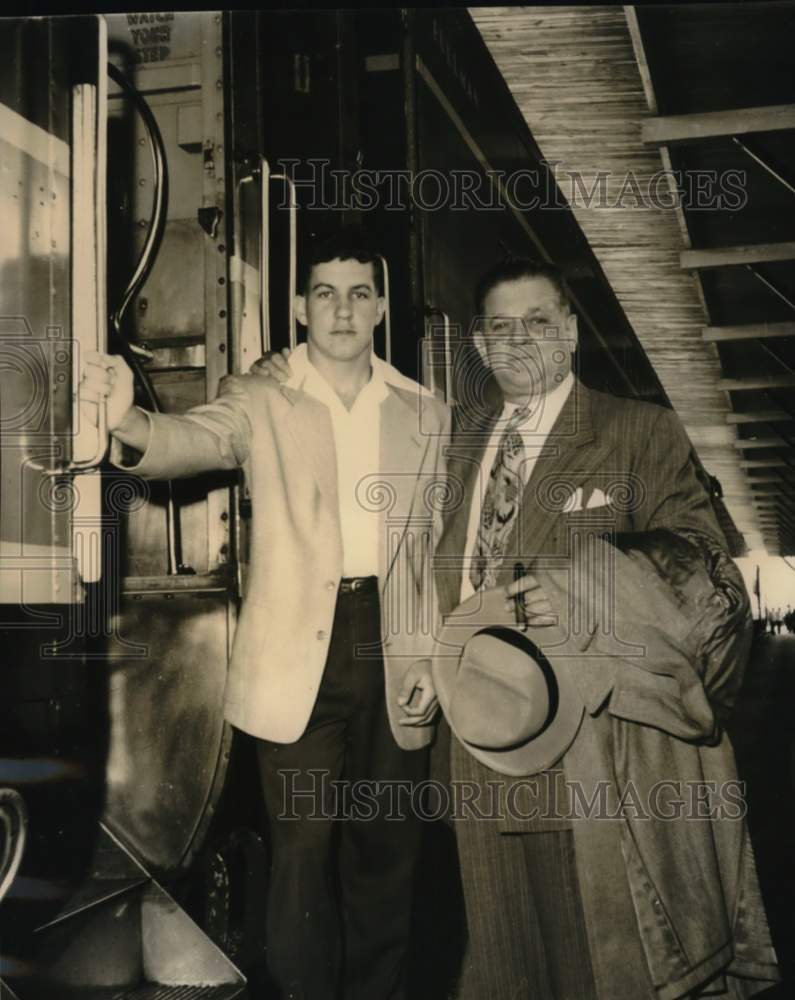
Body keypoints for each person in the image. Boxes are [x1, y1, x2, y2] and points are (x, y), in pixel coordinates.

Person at [79, 232, 450, 1000]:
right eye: (324, 293)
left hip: (396, 643)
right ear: (297, 305)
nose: (342, 309)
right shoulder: (261, 395)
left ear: (380, 306)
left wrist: (435, 656)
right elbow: (192, 441)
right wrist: (128, 423)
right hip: (295, 657)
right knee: (301, 859)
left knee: (388, 853)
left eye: (357, 293)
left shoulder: (424, 411)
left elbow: (438, 548)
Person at [430, 257, 779, 999]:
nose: (518, 340)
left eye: (537, 322)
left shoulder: (638, 433)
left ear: (570, 333)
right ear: (481, 346)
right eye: (500, 327)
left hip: (592, 740)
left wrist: (585, 589)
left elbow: (708, 577)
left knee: (595, 956)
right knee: (502, 956)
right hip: (477, 731)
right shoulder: (458, 444)